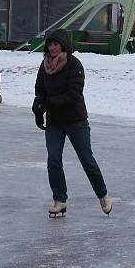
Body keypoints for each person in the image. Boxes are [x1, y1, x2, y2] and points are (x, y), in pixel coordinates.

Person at [32, 29, 111, 217]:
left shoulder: (74, 64)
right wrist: (38, 106)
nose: (52, 48)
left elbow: (74, 93)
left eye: (56, 44)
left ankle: (103, 195)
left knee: (87, 160)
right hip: (55, 121)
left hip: (76, 120)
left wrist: (50, 103)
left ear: (64, 45)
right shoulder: (45, 66)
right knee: (53, 159)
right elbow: (40, 89)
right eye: (49, 44)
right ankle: (60, 200)